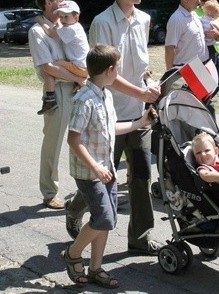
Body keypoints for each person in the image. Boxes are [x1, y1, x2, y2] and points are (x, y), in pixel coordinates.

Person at [65, 0, 162, 255]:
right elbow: (107, 72)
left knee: (142, 176)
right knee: (101, 175)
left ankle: (140, 237)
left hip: (139, 114)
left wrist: (151, 83)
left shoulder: (143, 19)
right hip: (108, 115)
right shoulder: (102, 22)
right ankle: (76, 205)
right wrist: (141, 92)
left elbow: (140, 66)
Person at [62, 44, 154, 288]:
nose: (120, 72)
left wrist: (140, 122)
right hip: (90, 172)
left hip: (106, 170)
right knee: (105, 219)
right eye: (119, 67)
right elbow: (73, 139)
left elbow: (112, 128)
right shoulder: (84, 99)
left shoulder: (106, 94)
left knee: (106, 219)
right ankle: (72, 254)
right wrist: (95, 168)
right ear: (110, 69)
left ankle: (95, 269)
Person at [28, 0, 87, 209]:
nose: (64, 4)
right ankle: (49, 191)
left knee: (81, 139)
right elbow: (48, 67)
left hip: (76, 86)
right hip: (59, 90)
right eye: (59, 1)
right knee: (53, 142)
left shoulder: (65, 25)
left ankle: (85, 188)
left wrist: (80, 80)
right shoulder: (37, 31)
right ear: (47, 4)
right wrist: (78, 79)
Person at [34, 0, 89, 115]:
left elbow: (50, 33)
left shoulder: (70, 29)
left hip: (79, 67)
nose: (62, 20)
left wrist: (40, 20)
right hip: (83, 66)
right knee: (51, 67)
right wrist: (59, 22)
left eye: (66, 17)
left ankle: (50, 99)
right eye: (61, 17)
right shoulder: (74, 26)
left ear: (76, 17)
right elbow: (58, 27)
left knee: (49, 68)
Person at [165, 0, 213, 70]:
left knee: (214, 83)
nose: (199, 2)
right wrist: (170, 74)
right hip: (186, 68)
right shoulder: (176, 19)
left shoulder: (194, 14)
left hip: (202, 65)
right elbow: (169, 48)